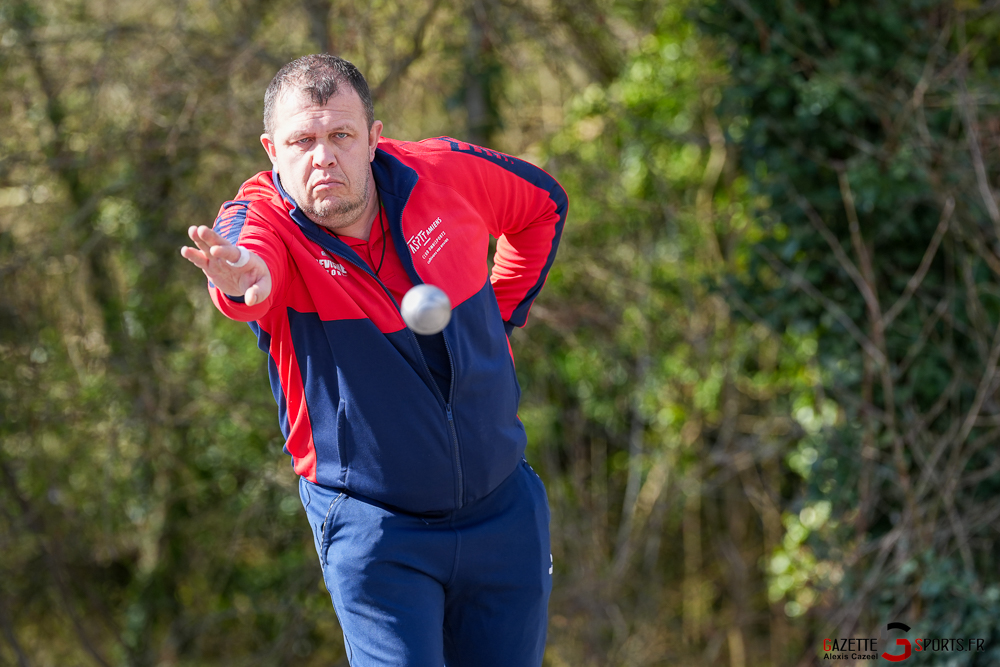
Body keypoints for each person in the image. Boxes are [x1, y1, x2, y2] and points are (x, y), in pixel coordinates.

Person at [180, 53, 567, 667]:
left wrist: (499, 314)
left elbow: (543, 205)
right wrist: (240, 278)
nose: (322, 156)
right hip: (377, 533)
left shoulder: (443, 174)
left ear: (374, 139)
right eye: (301, 141)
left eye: (340, 135)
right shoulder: (265, 224)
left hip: (504, 512)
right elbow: (246, 264)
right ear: (271, 149)